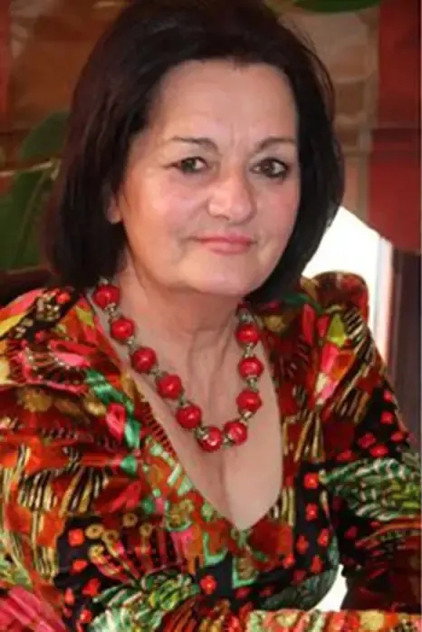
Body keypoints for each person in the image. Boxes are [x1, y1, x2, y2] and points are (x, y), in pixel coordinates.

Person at [0, 0, 420, 630]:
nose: (236, 202)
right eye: (192, 163)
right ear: (111, 185)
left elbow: (403, 548)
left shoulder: (318, 336)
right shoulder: (31, 380)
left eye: (270, 166)